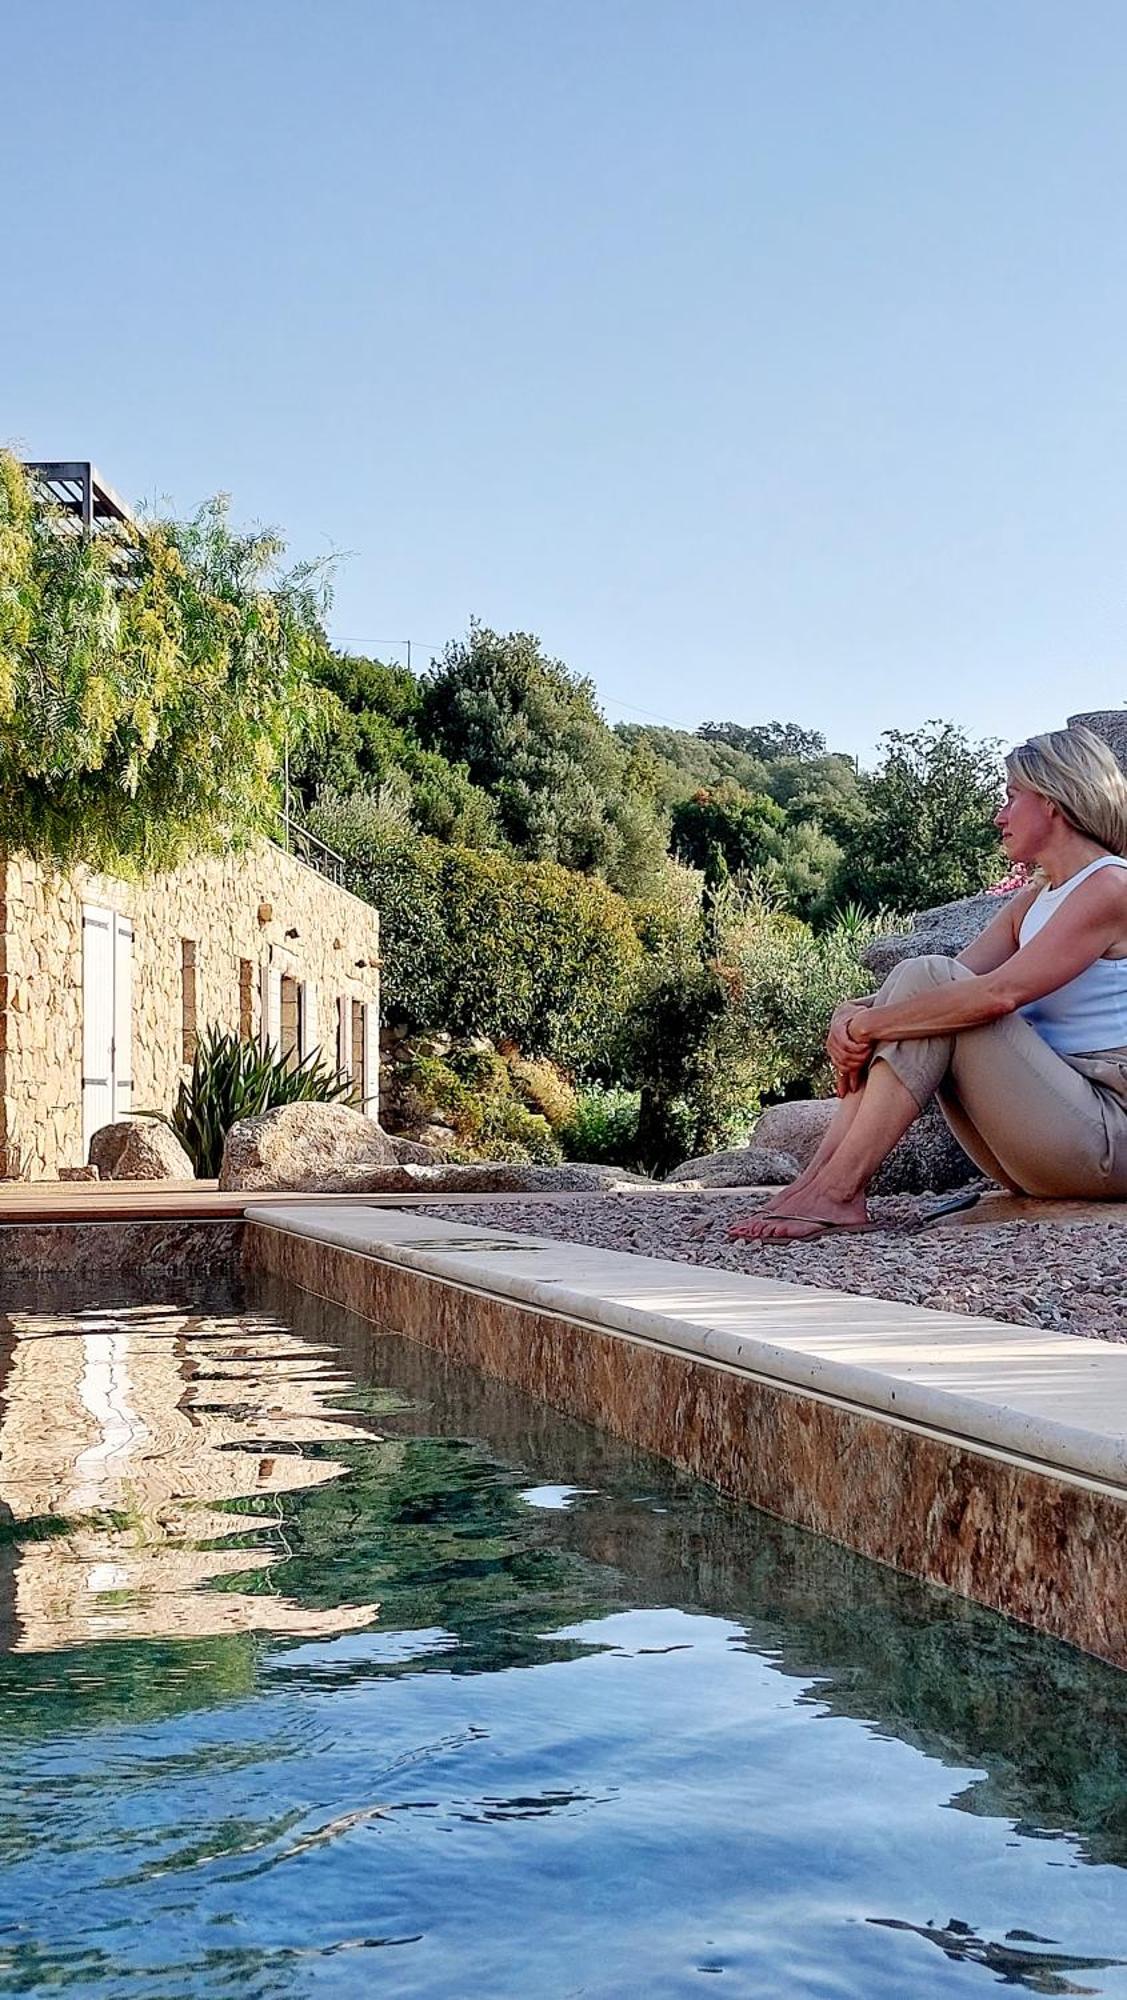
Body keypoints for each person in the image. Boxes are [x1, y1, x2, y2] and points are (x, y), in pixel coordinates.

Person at [730, 723, 1127, 1243]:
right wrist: (848, 1015)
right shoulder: (1035, 898)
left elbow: (997, 994)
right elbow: (938, 988)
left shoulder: (1111, 886)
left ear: (1054, 800)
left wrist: (869, 1025)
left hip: (1106, 1137)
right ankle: (821, 1180)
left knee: (928, 980)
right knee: (915, 979)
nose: (998, 816)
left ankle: (840, 1187)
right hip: (1042, 1140)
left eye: (1011, 797)